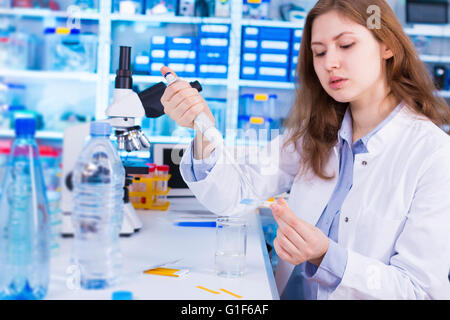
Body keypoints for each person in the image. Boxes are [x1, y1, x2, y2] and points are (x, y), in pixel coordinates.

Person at [159, 0, 450, 300]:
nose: (329, 63)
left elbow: (421, 292)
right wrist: (203, 127)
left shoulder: (433, 154)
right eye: (319, 52)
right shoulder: (316, 135)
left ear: (387, 45)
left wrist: (327, 256)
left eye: (346, 45)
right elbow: (233, 193)